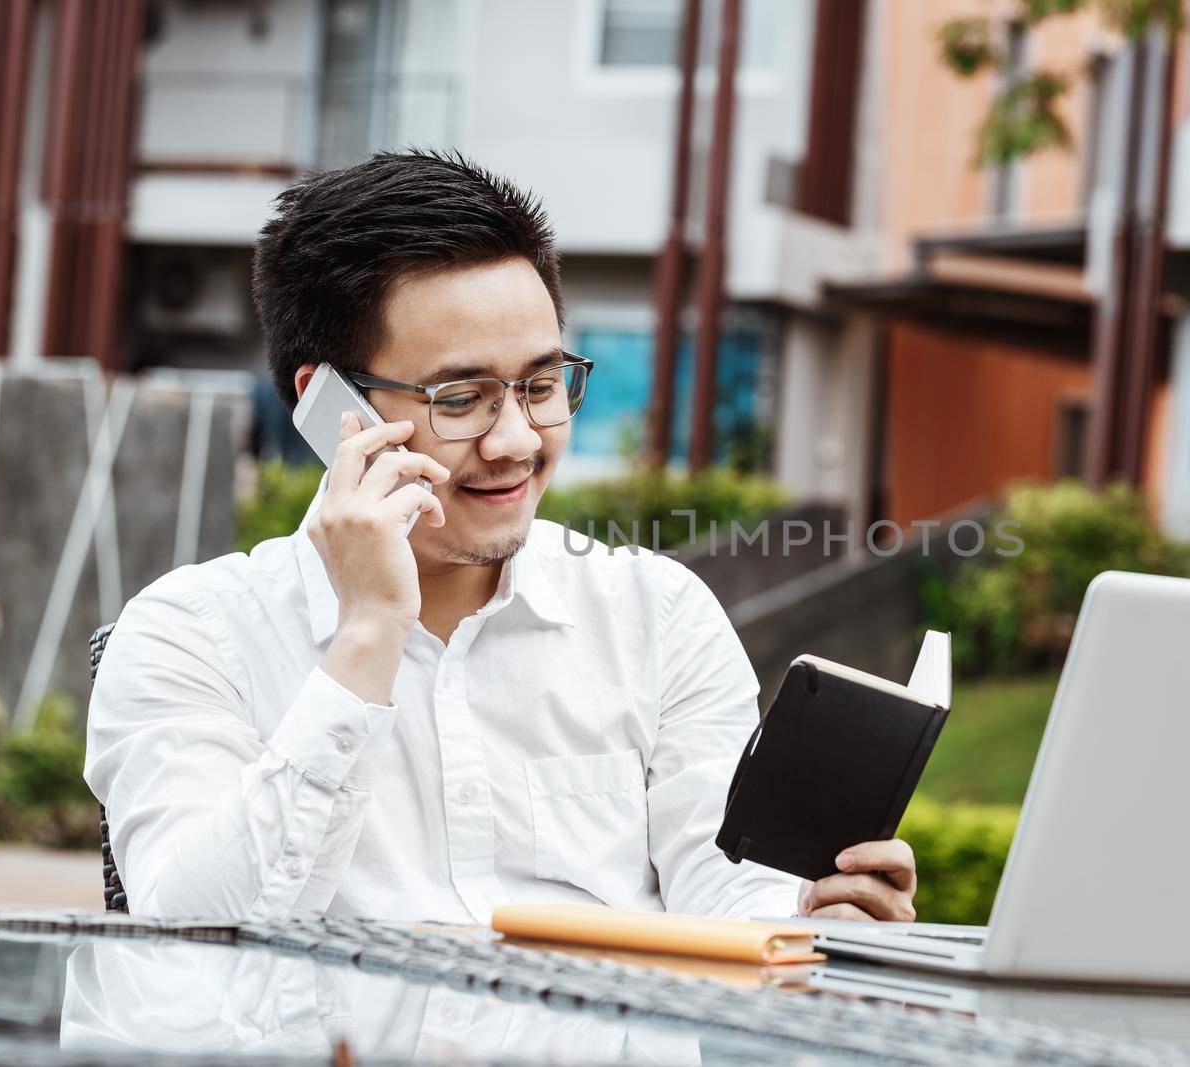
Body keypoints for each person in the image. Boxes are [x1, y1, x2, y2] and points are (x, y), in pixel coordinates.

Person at [85, 150, 918, 924]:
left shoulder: (657, 618)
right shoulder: (190, 635)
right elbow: (189, 938)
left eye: (542, 384)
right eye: (461, 397)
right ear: (329, 406)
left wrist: (812, 915)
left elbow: (728, 889)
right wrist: (367, 637)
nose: (518, 439)